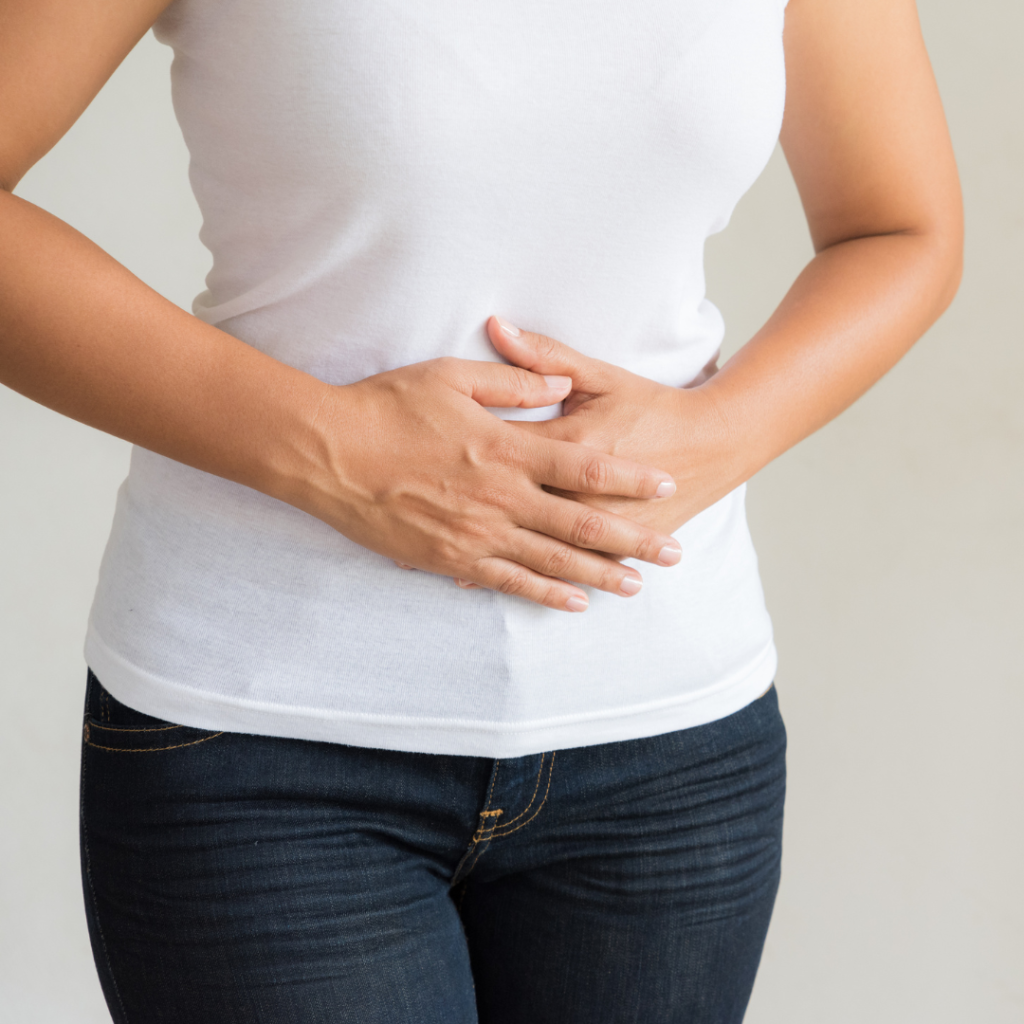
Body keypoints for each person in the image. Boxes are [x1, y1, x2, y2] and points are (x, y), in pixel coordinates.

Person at [0, 0, 961, 1020]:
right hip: (264, 740)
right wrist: (331, 451)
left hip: (669, 750)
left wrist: (715, 434)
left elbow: (898, 226)